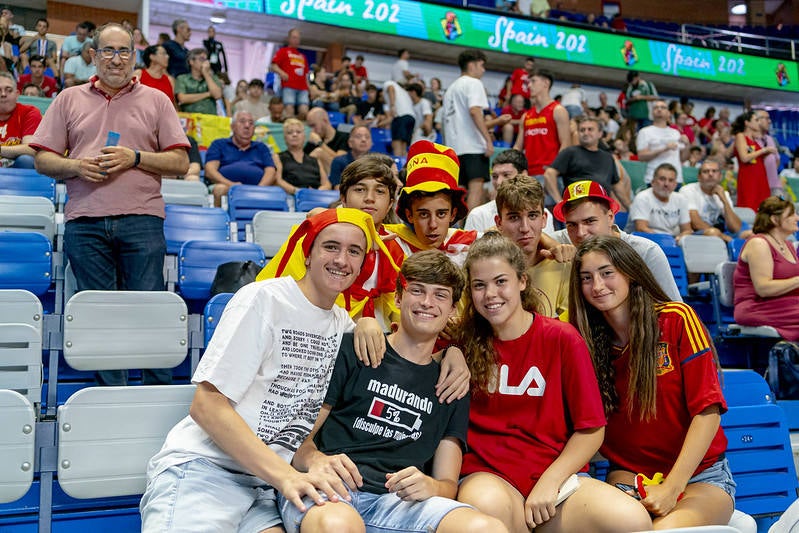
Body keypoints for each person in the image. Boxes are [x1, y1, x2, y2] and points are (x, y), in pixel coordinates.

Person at [140, 209, 399, 531]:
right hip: (206, 469)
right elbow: (206, 406)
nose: (342, 260)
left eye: (354, 251)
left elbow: (292, 426)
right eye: (331, 247)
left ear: (362, 264)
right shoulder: (263, 298)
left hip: (263, 485)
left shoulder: (342, 326)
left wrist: (313, 458)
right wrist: (286, 475)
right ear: (308, 253)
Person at [280, 250, 504, 533]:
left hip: (397, 504)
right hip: (329, 490)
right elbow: (297, 441)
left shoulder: (453, 382)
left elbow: (447, 484)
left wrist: (431, 485)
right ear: (398, 297)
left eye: (440, 295)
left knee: (484, 528)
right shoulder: (355, 349)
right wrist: (317, 460)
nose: (426, 302)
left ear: (453, 310)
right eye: (417, 291)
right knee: (338, 524)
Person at [456, 232, 650, 533]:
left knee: (631, 520)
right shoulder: (461, 344)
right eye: (479, 285)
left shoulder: (562, 338)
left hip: (554, 476)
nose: (490, 294)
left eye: (500, 281)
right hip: (488, 474)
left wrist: (549, 483)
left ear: (522, 281)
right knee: (488, 508)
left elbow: (591, 429)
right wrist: (366, 324)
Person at [30, 22, 190, 386]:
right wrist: (76, 165)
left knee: (150, 310)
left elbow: (181, 162)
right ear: (93, 55)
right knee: (100, 315)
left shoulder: (157, 100)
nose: (116, 60)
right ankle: (111, 395)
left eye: (123, 52)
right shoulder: (69, 98)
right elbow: (42, 159)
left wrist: (135, 158)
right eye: (108, 50)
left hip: (142, 220)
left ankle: (156, 391)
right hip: (85, 223)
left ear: (133, 57)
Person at [569, 236, 734, 529]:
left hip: (699, 477)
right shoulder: (581, 341)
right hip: (628, 475)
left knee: (662, 531)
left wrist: (672, 487)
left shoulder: (677, 319)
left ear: (630, 273)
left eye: (607, 273)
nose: (597, 285)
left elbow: (707, 412)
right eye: (586, 278)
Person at [551, 180, 682, 301]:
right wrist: (549, 244)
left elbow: (674, 309)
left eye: (590, 221)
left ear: (610, 217)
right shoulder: (562, 241)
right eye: (572, 225)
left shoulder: (645, 251)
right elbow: (536, 237)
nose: (580, 233)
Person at [383, 140, 477, 265]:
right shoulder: (388, 244)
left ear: (453, 214)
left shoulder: (471, 247)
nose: (433, 225)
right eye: (423, 214)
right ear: (409, 215)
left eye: (441, 214)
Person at [443, 49, 510, 211]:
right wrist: (488, 140)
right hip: (472, 146)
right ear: (472, 65)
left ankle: (459, 230)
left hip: (454, 149)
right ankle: (468, 230)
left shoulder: (450, 89)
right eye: (481, 65)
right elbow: (474, 111)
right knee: (475, 188)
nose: (483, 70)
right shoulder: (474, 83)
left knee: (459, 191)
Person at [495, 176, 570, 317]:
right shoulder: (482, 269)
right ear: (499, 223)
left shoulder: (563, 266)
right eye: (514, 217)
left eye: (532, 216)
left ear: (544, 219)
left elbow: (570, 329)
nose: (525, 228)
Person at [733, 196, 799, 341]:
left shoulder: (788, 245)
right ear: (775, 220)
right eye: (791, 214)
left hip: (786, 304)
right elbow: (763, 288)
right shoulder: (759, 243)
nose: (797, 217)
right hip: (757, 307)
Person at [544, 116, 629, 209]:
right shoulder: (570, 152)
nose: (586, 133)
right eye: (582, 130)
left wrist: (630, 207)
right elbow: (549, 174)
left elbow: (616, 185)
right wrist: (559, 202)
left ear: (600, 133)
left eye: (590, 129)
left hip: (602, 208)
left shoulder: (608, 157)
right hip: (576, 208)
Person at [513, 69, 571, 207]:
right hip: (528, 177)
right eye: (528, 82)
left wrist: (553, 170)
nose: (529, 86)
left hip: (550, 177)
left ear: (546, 83)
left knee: (551, 221)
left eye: (533, 81)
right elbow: (517, 147)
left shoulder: (558, 110)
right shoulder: (526, 116)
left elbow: (566, 145)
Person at [465, 149, 551, 234]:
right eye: (495, 176)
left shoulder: (543, 213)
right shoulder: (477, 215)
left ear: (524, 175)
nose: (499, 182)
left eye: (506, 175)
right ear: (498, 221)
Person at [204, 110, 276, 206]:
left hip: (257, 189)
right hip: (227, 187)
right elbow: (210, 171)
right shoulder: (219, 144)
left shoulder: (261, 147)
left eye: (251, 123)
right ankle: (220, 220)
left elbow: (271, 171)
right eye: (242, 121)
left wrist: (259, 189)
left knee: (277, 193)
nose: (247, 126)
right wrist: (231, 185)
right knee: (219, 189)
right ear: (232, 127)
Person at [680, 159, 748, 243]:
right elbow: (696, 223)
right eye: (706, 171)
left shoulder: (724, 193)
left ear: (720, 176)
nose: (711, 174)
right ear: (699, 177)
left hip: (719, 232)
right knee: (713, 233)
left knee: (748, 234)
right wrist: (722, 236)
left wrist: (724, 200)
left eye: (714, 171)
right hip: (695, 233)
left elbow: (736, 228)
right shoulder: (688, 190)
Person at [628, 163, 692, 240]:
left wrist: (680, 237)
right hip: (643, 240)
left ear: (675, 184)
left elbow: (687, 230)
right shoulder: (642, 198)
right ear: (652, 182)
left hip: (671, 241)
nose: (666, 184)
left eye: (671, 180)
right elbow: (641, 228)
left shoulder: (681, 199)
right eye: (662, 179)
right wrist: (664, 239)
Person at [637, 99, 689, 185]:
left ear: (668, 113)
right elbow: (641, 157)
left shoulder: (675, 132)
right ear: (652, 113)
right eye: (656, 107)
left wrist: (687, 145)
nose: (659, 109)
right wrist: (664, 149)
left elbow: (683, 158)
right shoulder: (645, 132)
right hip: (654, 179)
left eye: (663, 107)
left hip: (676, 179)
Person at [733, 110, 775, 211]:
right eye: (756, 120)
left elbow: (755, 159)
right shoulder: (740, 136)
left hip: (760, 176)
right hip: (749, 177)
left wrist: (765, 154)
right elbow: (744, 157)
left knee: (762, 207)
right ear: (747, 123)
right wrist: (764, 150)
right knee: (749, 205)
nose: (758, 123)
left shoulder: (754, 139)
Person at [277, 118, 331, 194]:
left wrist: (318, 192)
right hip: (291, 197)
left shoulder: (315, 160)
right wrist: (299, 192)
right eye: (290, 132)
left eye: (298, 132)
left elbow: (327, 184)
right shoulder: (278, 157)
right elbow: (278, 180)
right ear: (285, 138)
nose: (294, 135)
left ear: (304, 137)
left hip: (316, 196)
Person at [0, 72, 41, 169]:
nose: (3, 94)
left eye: (8, 90)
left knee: (26, 160)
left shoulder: (29, 112)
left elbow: (31, 149)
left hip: (16, 169)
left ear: (17, 94)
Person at [270, 28, 309, 119]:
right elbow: (273, 65)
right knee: (289, 109)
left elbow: (306, 75)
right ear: (289, 38)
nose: (296, 40)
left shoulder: (302, 56)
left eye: (298, 38)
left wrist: (310, 88)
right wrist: (281, 73)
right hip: (288, 86)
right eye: (294, 37)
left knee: (304, 110)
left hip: (303, 87)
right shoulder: (283, 51)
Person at [175, 48, 222, 116]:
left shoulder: (213, 78)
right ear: (191, 62)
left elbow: (217, 95)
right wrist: (208, 94)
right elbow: (182, 99)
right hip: (190, 119)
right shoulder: (182, 78)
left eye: (206, 60)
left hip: (209, 120)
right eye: (202, 59)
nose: (205, 63)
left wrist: (206, 73)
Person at [305, 107, 349, 175]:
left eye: (313, 125)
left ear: (325, 121)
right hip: (316, 177)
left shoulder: (344, 137)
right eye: (310, 127)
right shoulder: (312, 141)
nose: (312, 131)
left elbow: (340, 162)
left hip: (337, 176)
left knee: (318, 152)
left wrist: (320, 143)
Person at [382, 79, 415, 157]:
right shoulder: (403, 92)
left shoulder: (388, 83)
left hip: (401, 116)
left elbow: (391, 89)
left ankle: (398, 164)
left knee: (396, 144)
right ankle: (403, 165)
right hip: (411, 118)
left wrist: (392, 105)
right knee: (404, 146)